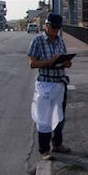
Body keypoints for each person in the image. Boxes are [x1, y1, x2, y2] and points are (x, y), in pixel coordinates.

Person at [27, 13, 72, 160]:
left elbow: (64, 59)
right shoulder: (38, 41)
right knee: (44, 118)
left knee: (59, 117)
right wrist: (49, 62)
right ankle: (44, 150)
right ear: (47, 26)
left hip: (60, 82)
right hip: (45, 84)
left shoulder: (60, 41)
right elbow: (32, 63)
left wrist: (66, 63)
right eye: (54, 28)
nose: (56, 31)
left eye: (58, 28)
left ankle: (57, 144)